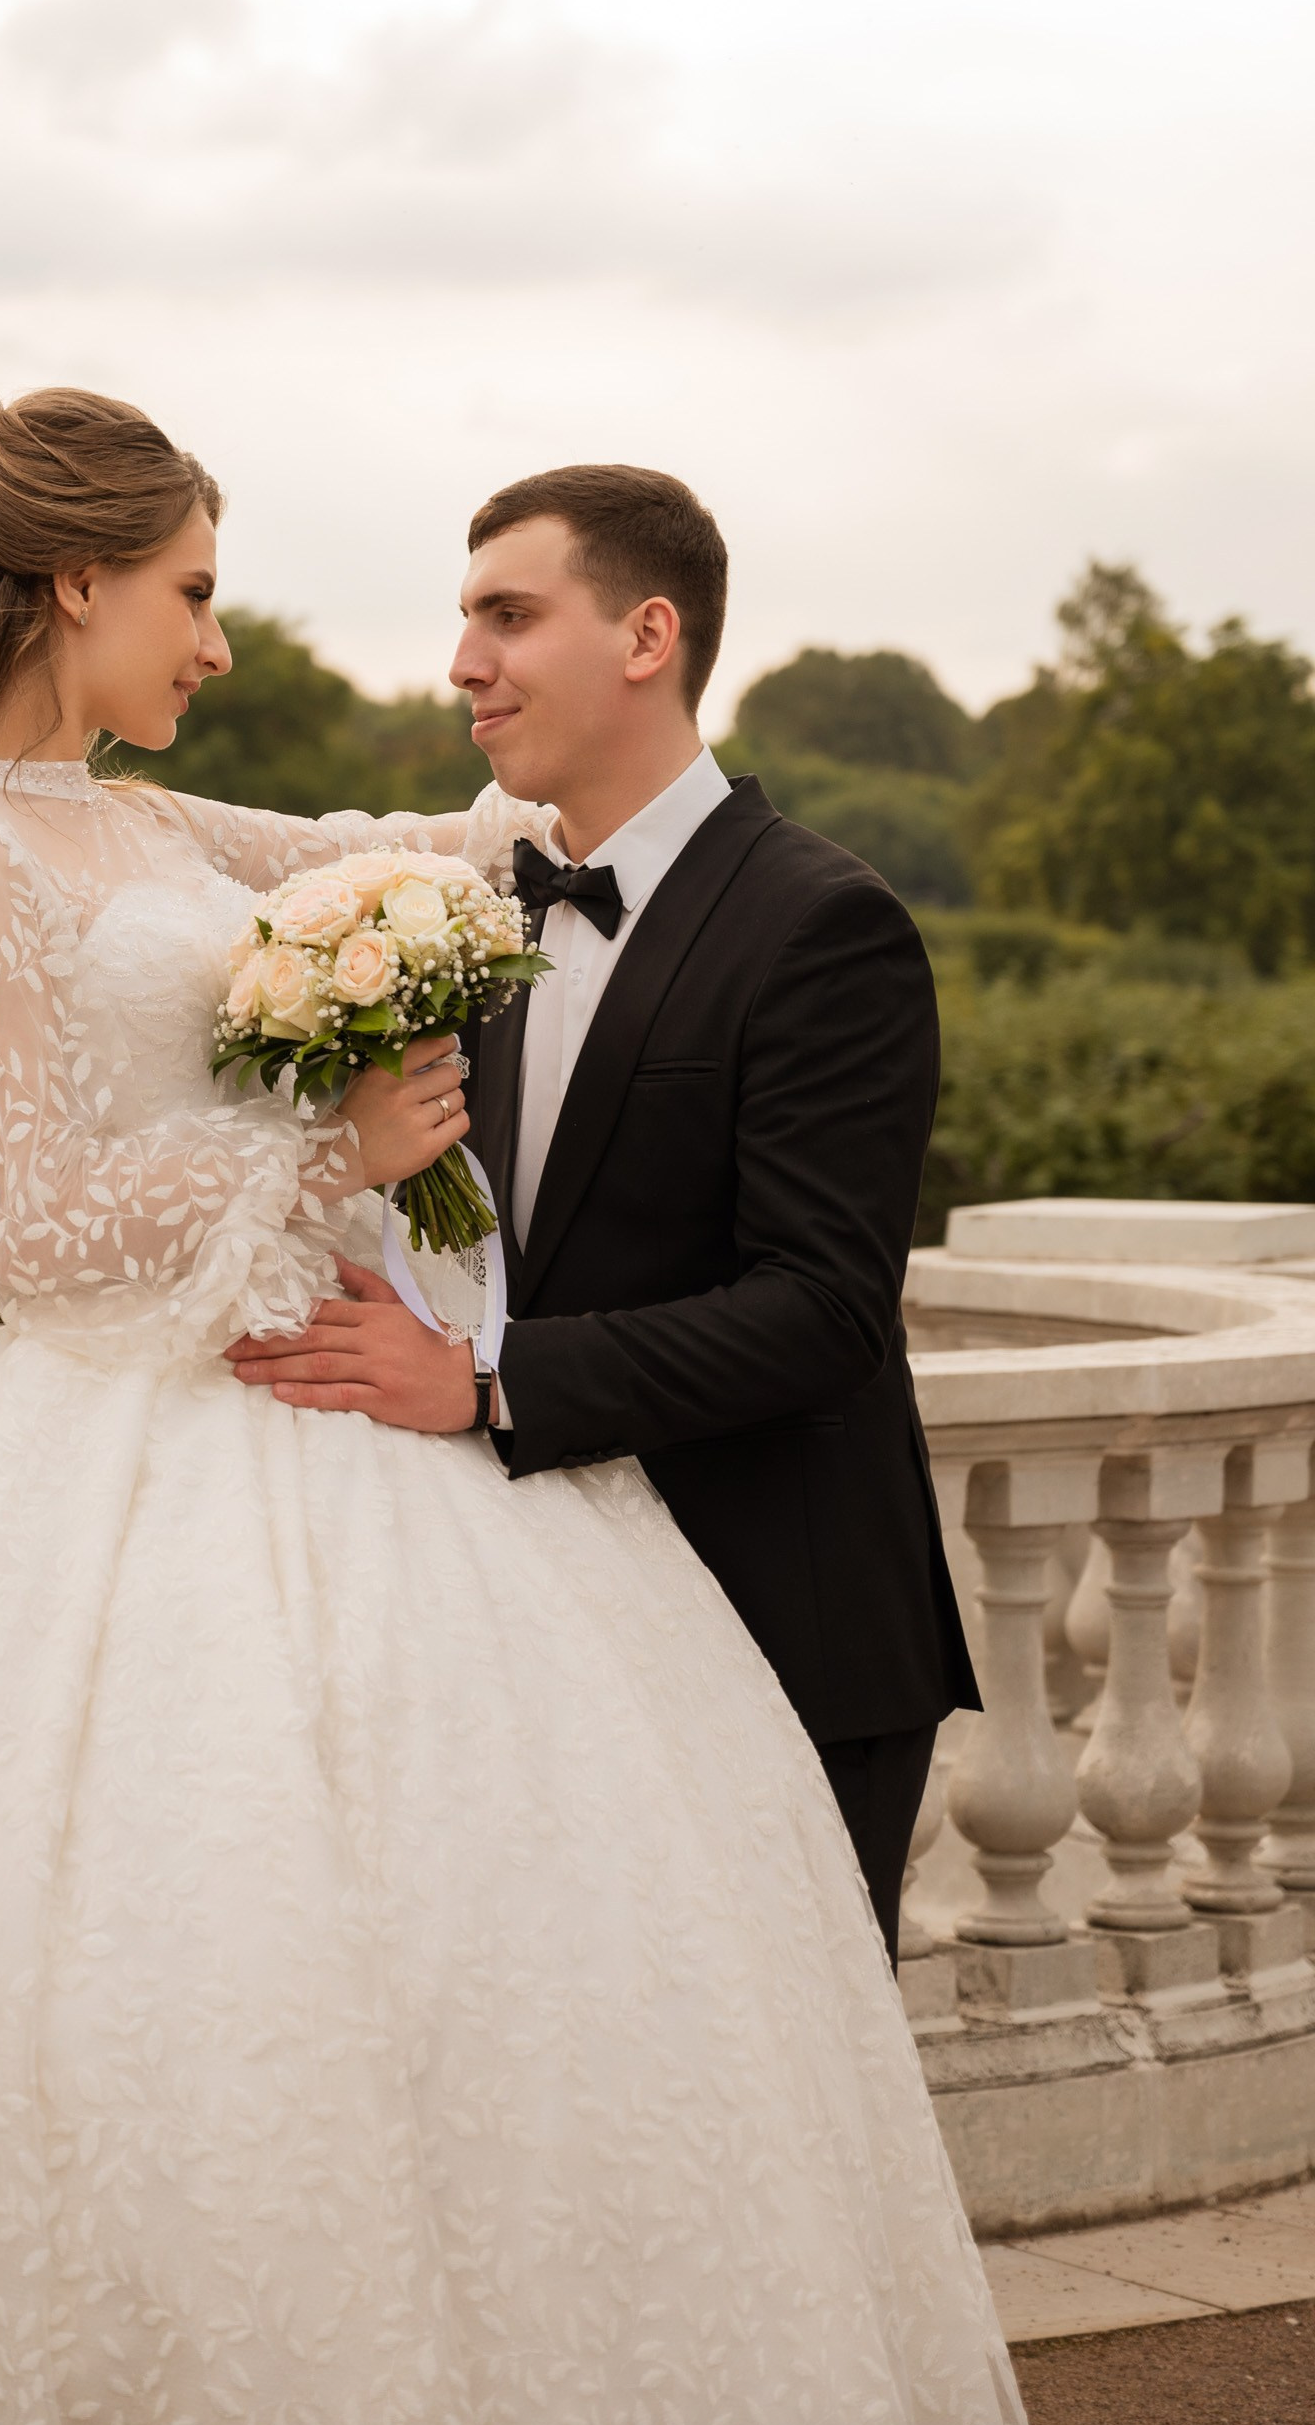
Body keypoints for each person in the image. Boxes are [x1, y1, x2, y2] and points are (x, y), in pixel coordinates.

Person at [0, 391, 1030, 2425]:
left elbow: (424, 857)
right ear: (73, 581)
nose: (215, 642)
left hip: (364, 1427)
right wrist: (320, 1156)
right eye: (190, 591)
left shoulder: (146, 824)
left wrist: (534, 840)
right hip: (135, 1476)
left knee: (500, 2001)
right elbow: (38, 1240)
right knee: (200, 2011)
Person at [228, 465, 979, 1960]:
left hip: (782, 1623)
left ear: (647, 637)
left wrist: (489, 1389)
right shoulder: (471, 916)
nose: (463, 665)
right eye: (463, 621)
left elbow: (825, 1311)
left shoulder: (825, 924)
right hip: (546, 1632)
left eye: (510, 615)